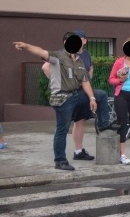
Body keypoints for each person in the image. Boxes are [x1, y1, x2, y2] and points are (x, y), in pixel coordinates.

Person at [14, 35, 103, 170]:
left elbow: (85, 82)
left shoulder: (79, 61)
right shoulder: (58, 56)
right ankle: (60, 161)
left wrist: (91, 98)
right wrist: (26, 46)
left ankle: (105, 125)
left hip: (76, 95)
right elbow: (41, 52)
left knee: (100, 95)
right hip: (62, 98)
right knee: (62, 130)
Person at [41, 30, 115, 161]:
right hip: (68, 95)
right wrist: (60, 82)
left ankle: (79, 151)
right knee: (62, 128)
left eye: (80, 39)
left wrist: (87, 81)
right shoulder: (61, 54)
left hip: (82, 93)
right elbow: (45, 67)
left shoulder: (84, 55)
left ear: (84, 41)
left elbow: (89, 69)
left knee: (81, 120)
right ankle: (60, 160)